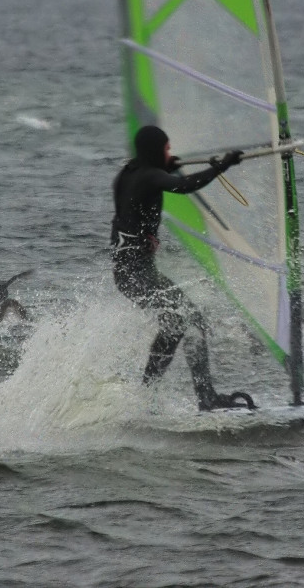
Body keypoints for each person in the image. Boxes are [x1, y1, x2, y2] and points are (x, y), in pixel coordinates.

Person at [110, 124, 251, 410]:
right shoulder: (150, 176)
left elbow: (137, 200)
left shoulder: (127, 175)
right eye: (167, 149)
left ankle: (148, 397)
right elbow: (186, 186)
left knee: (175, 324)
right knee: (190, 319)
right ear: (155, 151)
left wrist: (166, 167)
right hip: (137, 274)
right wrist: (222, 166)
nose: (170, 152)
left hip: (126, 273)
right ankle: (202, 397)